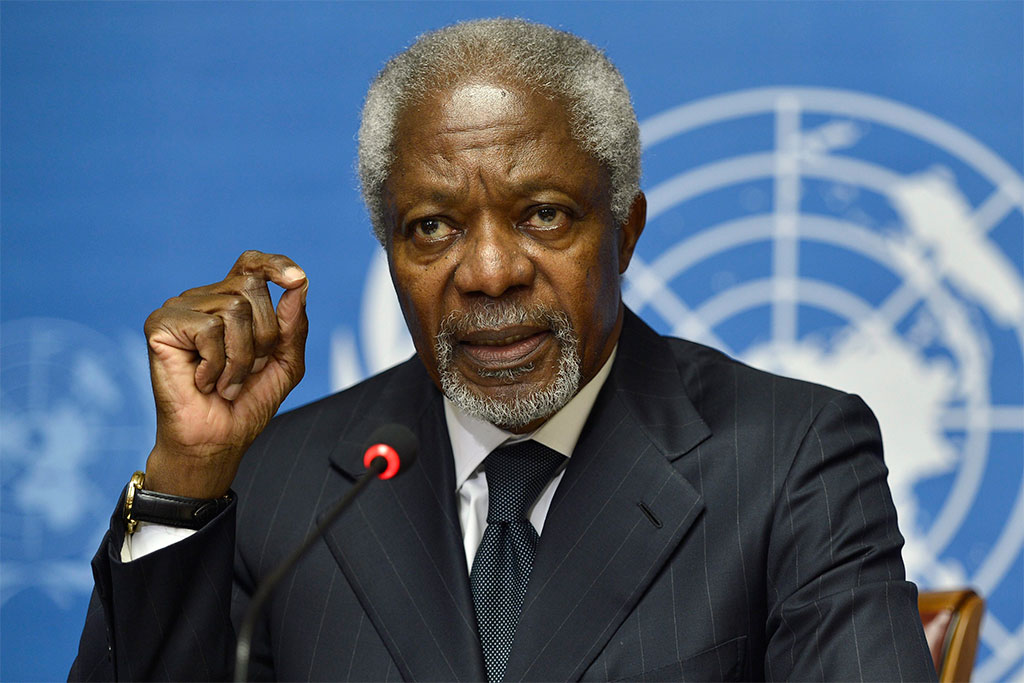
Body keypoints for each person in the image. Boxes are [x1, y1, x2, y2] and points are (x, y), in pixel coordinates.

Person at [70, 18, 936, 682]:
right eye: (433, 227)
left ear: (625, 232)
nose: (488, 272)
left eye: (544, 214)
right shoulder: (282, 483)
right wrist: (189, 479)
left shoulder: (792, 457)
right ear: (391, 255)